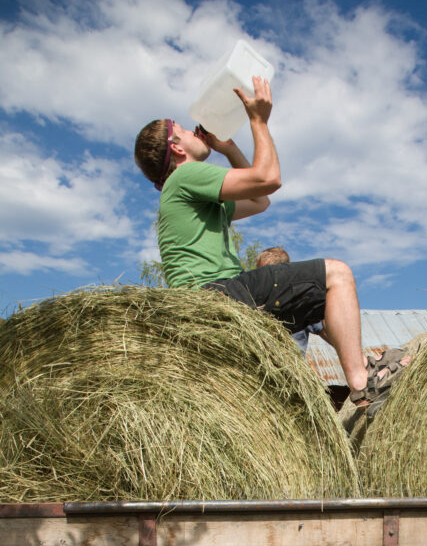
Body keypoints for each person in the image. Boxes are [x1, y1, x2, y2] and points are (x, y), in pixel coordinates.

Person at [133, 77, 409, 408]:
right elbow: (269, 179)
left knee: (319, 304)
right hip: (217, 294)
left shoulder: (187, 194)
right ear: (177, 147)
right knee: (337, 274)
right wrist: (258, 121)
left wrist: (229, 148)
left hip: (212, 300)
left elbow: (260, 200)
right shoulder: (185, 176)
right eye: (188, 131)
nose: (197, 132)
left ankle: (360, 373)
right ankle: (362, 383)